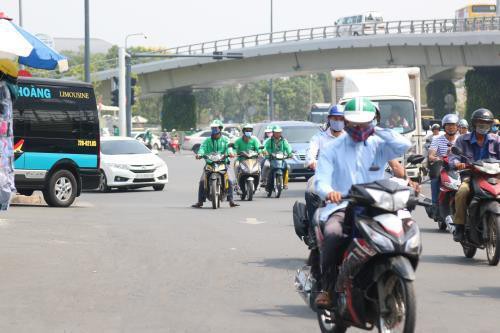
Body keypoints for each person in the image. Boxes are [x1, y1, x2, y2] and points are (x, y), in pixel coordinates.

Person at [314, 97, 411, 307]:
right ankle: (327, 288)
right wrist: (330, 192)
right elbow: (320, 180)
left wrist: (377, 130)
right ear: (346, 122)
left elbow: (405, 144)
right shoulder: (332, 148)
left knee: (404, 233)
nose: (359, 128)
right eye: (354, 123)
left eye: (364, 123)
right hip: (342, 207)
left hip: (379, 206)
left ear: (373, 122)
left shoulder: (379, 145)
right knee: (333, 234)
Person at [450, 108, 500, 241]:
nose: (483, 125)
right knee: (462, 192)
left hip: (494, 177)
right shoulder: (462, 139)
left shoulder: (496, 140)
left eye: (486, 123)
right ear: (474, 123)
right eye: (480, 122)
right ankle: (459, 226)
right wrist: (457, 163)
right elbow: (453, 156)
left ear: (490, 125)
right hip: (470, 176)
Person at [191, 120, 239, 208]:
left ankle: (231, 200)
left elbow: (229, 148)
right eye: (213, 128)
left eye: (216, 128)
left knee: (230, 181)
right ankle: (200, 201)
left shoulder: (225, 140)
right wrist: (199, 154)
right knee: (202, 181)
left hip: (223, 163)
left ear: (220, 129)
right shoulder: (207, 140)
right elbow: (202, 148)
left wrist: (230, 153)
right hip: (210, 164)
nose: (214, 130)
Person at [427, 113, 459, 215]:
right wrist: (438, 158)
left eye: (453, 125)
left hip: (459, 168)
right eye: (448, 125)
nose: (451, 128)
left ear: (457, 127)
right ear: (444, 127)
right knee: (435, 179)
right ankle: (435, 205)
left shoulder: (461, 139)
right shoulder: (437, 139)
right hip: (443, 167)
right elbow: (431, 155)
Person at [306, 105, 345, 171]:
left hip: (346, 175)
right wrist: (311, 162)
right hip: (325, 174)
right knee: (311, 181)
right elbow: (311, 151)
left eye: (341, 119)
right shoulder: (319, 137)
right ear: (329, 119)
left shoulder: (350, 138)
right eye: (335, 118)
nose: (338, 121)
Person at [263, 125, 293, 192]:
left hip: (281, 159)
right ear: (273, 132)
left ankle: (285, 183)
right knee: (266, 165)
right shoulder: (269, 141)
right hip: (271, 158)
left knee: (288, 167)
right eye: (276, 132)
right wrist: (266, 152)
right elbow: (265, 148)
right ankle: (264, 180)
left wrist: (290, 153)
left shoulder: (284, 141)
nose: (278, 133)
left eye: (279, 132)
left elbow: (288, 148)